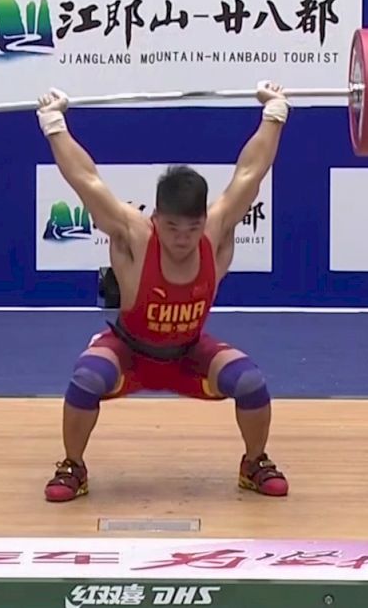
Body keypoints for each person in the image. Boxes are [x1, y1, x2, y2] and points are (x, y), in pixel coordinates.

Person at [34, 81, 290, 502]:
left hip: (188, 353)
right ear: (156, 218)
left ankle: (253, 463)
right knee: (85, 378)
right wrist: (53, 121)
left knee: (250, 381)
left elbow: (251, 172)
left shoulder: (216, 230)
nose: (183, 238)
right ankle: (73, 466)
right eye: (172, 227)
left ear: (202, 221)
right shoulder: (133, 236)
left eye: (192, 228)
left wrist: (275, 113)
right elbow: (86, 180)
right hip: (129, 351)